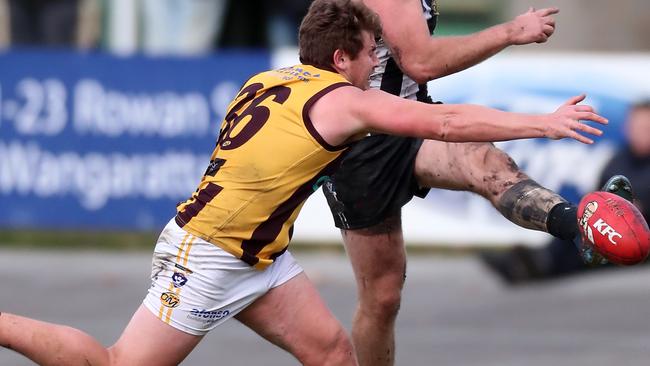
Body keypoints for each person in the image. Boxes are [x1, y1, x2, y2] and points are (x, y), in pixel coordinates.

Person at [0, 0, 609, 364]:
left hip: (258, 255)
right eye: (372, 52)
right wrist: (543, 122)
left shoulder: (270, 78)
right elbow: (442, 120)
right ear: (341, 57)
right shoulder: (343, 100)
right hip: (208, 255)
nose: (380, 63)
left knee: (333, 354)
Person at [320, 1, 623, 365]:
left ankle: (581, 228)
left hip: (410, 115)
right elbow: (422, 62)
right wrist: (510, 32)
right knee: (382, 299)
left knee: (485, 162)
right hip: (359, 141)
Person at [482, 100, 650, 284]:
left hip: (639, 234)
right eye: (636, 126)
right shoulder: (618, 160)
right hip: (609, 226)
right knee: (578, 221)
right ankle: (534, 260)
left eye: (645, 127)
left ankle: (540, 264)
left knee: (587, 235)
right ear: (627, 128)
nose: (640, 132)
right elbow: (597, 194)